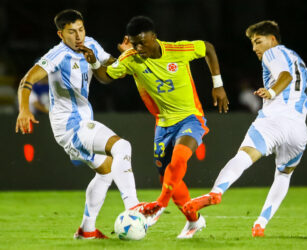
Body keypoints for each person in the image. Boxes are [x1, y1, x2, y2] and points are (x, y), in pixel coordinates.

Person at [91, 16, 229, 238]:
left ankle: (159, 205)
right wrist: (94, 62)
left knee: (179, 159)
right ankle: (194, 221)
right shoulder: (130, 58)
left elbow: (208, 48)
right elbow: (105, 77)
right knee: (169, 176)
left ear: (154, 37)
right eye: (134, 43)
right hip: (163, 124)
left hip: (190, 117)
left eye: (142, 42)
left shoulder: (178, 50)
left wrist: (218, 85)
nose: (138, 48)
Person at [183, 20, 307, 237]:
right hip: (299, 130)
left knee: (243, 157)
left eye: (258, 41)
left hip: (274, 119)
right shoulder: (296, 57)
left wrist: (272, 92)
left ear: (272, 40)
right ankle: (260, 224)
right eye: (253, 44)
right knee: (283, 176)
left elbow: (286, 76)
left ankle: (216, 193)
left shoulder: (272, 53)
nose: (255, 48)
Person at [15, 9, 141, 239]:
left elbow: (109, 73)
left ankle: (87, 230)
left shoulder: (90, 44)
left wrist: (123, 57)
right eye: (71, 32)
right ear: (60, 34)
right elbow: (27, 80)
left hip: (83, 121)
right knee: (123, 146)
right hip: (69, 126)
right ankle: (135, 209)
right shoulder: (57, 55)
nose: (78, 36)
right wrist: (24, 109)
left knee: (106, 171)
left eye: (81, 29)